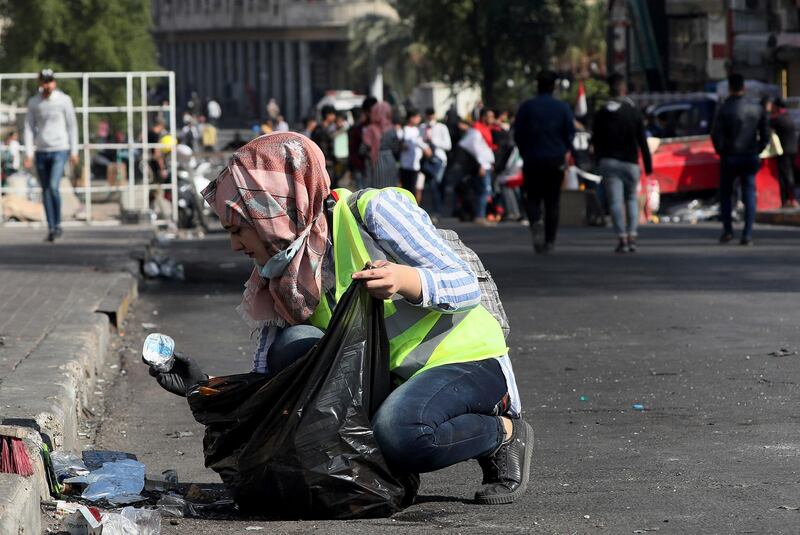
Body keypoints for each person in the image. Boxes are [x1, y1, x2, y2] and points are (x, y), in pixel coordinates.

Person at [147, 132, 531, 505]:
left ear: (271, 210)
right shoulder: (283, 274)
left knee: (400, 434)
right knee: (291, 347)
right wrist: (205, 387)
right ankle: (390, 462)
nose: (234, 245)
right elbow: (274, 383)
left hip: (463, 360)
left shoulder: (374, 212)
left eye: (238, 229)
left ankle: (504, 433)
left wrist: (405, 279)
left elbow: (465, 285)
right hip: (392, 377)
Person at [514, 71, 575, 252]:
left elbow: (518, 134)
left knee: (532, 197)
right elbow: (569, 135)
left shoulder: (527, 107)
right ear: (554, 86)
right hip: (554, 160)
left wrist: (525, 152)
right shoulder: (562, 107)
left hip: (532, 159)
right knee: (552, 200)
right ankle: (549, 240)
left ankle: (535, 221)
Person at [592, 73, 652, 253]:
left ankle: (622, 238)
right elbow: (642, 140)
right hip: (630, 163)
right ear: (623, 89)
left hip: (609, 163)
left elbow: (595, 140)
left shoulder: (602, 113)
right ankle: (632, 236)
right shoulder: (633, 112)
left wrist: (597, 161)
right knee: (631, 199)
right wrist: (648, 165)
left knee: (615, 202)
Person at [711, 73, 769, 246]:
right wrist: (757, 150)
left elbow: (715, 135)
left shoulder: (723, 108)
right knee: (749, 194)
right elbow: (765, 134)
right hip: (750, 156)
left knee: (727, 194)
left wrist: (722, 151)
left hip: (730, 156)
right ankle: (748, 233)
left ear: (730, 87)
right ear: (744, 87)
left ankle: (728, 230)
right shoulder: (757, 107)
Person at [23, 69, 79, 242]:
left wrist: (74, 150)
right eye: (44, 81)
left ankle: (58, 224)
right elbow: (29, 128)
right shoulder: (34, 103)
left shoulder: (64, 100)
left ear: (54, 82)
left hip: (60, 148)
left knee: (54, 186)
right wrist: (29, 153)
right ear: (40, 83)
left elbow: (72, 126)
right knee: (46, 189)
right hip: (41, 150)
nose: (47, 85)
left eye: (50, 81)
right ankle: (52, 227)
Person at [420, 108, 452, 223]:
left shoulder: (441, 127)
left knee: (435, 185)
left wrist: (434, 141)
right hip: (427, 160)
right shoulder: (423, 127)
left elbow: (448, 145)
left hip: (439, 160)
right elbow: (419, 141)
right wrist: (425, 147)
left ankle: (437, 211)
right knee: (431, 186)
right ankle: (434, 210)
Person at [766, 97, 798, 207]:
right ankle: (790, 198)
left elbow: (766, 131)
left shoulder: (776, 119)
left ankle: (789, 199)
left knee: (785, 175)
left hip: (783, 151)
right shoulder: (788, 117)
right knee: (789, 174)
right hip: (793, 149)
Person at [363, 101, 400, 189]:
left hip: (376, 163)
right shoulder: (391, 129)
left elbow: (363, 149)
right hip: (390, 162)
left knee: (377, 190)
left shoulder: (370, 129)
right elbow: (396, 148)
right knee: (390, 190)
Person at [398, 108, 431, 204]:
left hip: (417, 165)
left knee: (416, 189)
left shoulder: (419, 130)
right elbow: (399, 144)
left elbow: (422, 143)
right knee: (406, 190)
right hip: (405, 165)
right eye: (417, 117)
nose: (419, 119)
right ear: (411, 118)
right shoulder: (403, 130)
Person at [348, 96, 377, 191]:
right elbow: (353, 150)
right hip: (363, 170)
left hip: (379, 171)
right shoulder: (359, 130)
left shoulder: (383, 128)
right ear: (366, 112)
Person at [311, 106, 337, 186]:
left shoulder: (318, 128)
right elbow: (322, 146)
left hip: (322, 161)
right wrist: (326, 159)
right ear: (328, 115)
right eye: (333, 114)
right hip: (325, 161)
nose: (334, 117)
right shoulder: (322, 130)